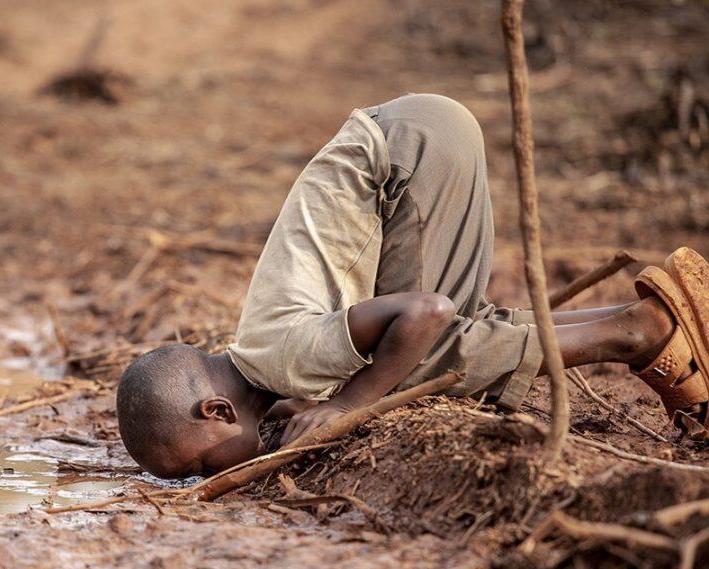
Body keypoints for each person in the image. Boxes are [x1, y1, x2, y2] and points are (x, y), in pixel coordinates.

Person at [115, 93, 709, 479]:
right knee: (439, 341)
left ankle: (641, 334)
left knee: (423, 357)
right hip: (415, 134)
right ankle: (656, 314)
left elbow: (424, 311)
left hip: (407, 158)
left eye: (196, 467)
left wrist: (348, 405)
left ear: (216, 410)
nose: (207, 478)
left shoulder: (284, 360)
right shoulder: (267, 355)